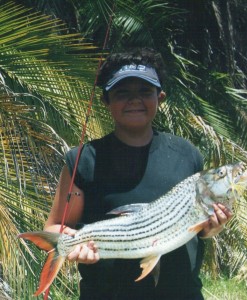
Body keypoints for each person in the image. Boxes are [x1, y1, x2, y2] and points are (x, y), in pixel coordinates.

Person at [44, 48, 232, 300]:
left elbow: (198, 229)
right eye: (123, 93)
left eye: (145, 91)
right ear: (106, 100)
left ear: (160, 97)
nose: (134, 100)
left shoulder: (188, 154)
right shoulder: (83, 159)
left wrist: (213, 228)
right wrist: (73, 246)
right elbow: (56, 226)